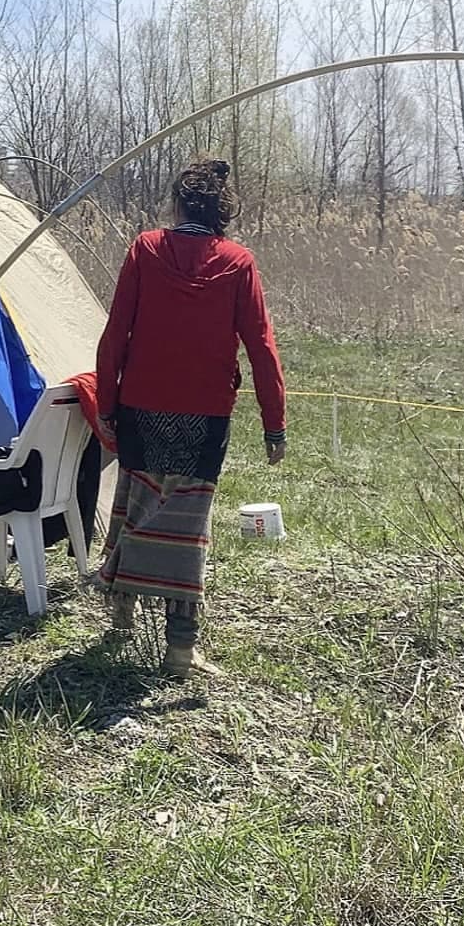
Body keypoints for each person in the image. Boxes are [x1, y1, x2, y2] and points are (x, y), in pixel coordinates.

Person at [93, 158, 287, 676]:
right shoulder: (238, 262)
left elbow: (116, 334)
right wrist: (275, 422)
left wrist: (106, 405)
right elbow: (261, 347)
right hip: (204, 415)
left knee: (136, 503)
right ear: (223, 211)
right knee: (186, 521)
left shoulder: (146, 249)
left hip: (140, 404)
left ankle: (122, 612)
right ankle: (180, 647)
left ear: (178, 205)